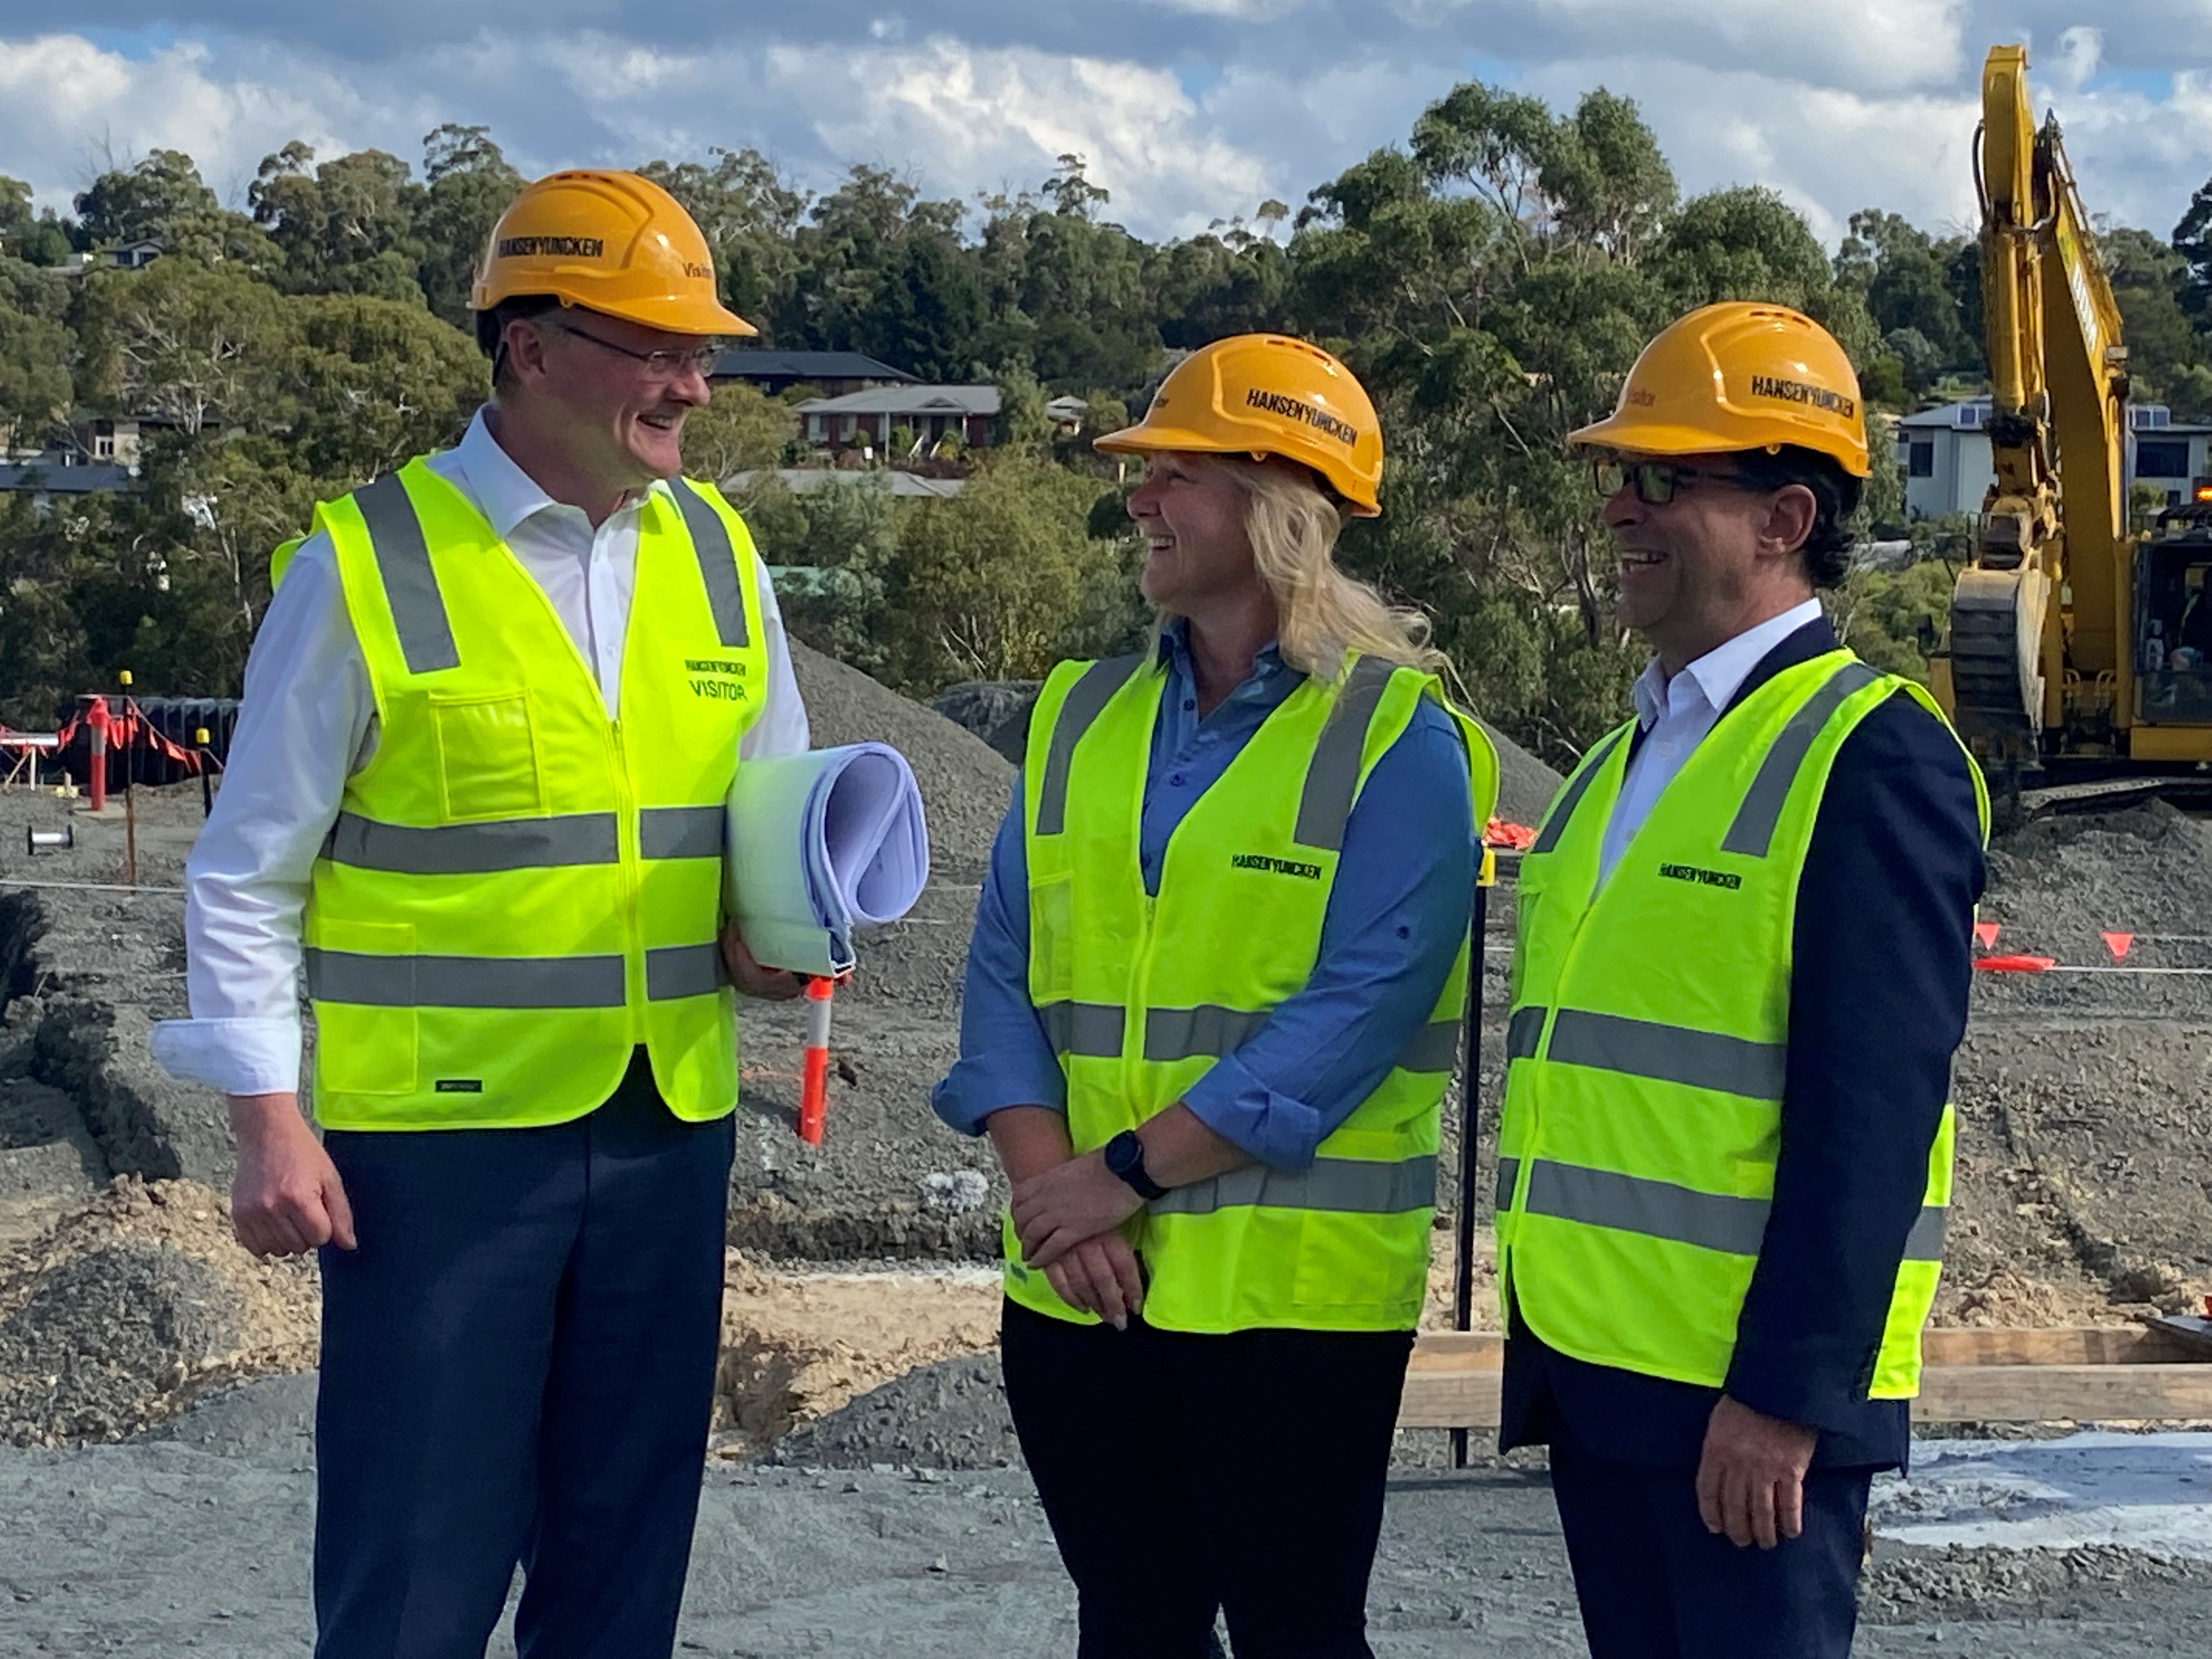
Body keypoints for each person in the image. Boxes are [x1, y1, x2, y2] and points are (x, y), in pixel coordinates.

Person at [150, 170, 811, 1659]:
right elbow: (249, 869)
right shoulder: (366, 567)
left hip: (665, 1132)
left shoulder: (718, 557)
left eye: (699, 353)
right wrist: (267, 1115)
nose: (694, 385)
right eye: (659, 347)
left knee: (620, 1572)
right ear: (532, 343)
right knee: (417, 1574)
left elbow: (773, 817)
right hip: (438, 1156)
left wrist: (785, 939)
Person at [932, 332, 1498, 1659]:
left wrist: (1116, 1176)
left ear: (1277, 503)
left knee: (1298, 1632)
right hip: (1080, 1289)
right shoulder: (1076, 717)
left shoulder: (1400, 741)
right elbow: (1003, 979)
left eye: (1174, 472)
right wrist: (1055, 1201)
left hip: (1290, 1314)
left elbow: (1349, 1023)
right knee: (1131, 1626)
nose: (1139, 499)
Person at [1495, 301, 1988, 1658]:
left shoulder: (1873, 756)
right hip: (1609, 1389)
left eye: (1663, 477)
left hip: (1744, 1413)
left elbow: (1872, 1117)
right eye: (1617, 475)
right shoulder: (1616, 764)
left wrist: (1787, 1398)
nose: (1619, 510)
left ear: (1783, 520)